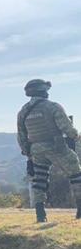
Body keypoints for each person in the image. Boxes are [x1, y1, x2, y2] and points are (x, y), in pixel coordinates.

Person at [17, 78, 81, 223]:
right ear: (43, 91)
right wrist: (76, 136)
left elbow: (21, 136)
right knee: (76, 174)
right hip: (56, 147)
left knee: (39, 180)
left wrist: (28, 152)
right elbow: (67, 129)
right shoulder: (53, 107)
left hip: (35, 150)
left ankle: (40, 214)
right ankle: (80, 210)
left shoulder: (23, 111)